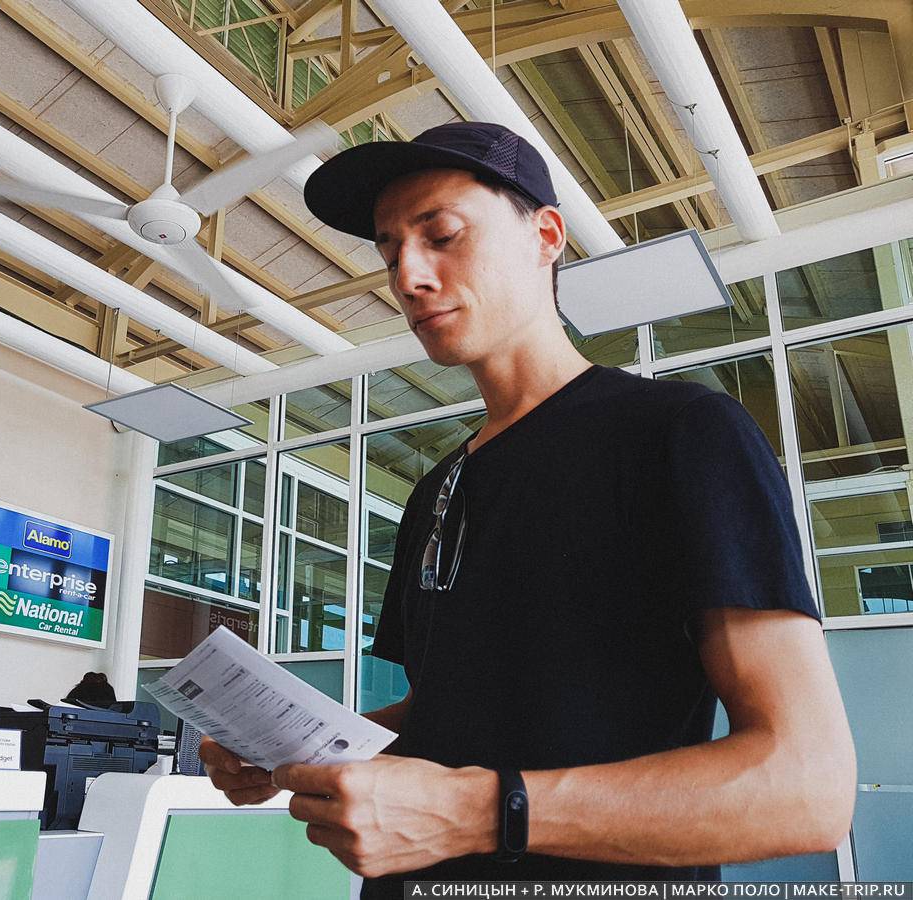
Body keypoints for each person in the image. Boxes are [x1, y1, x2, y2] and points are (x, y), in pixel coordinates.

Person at [199, 122, 856, 894]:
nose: (409, 275)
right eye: (389, 251)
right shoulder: (436, 488)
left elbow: (805, 787)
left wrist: (480, 813)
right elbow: (448, 712)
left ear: (545, 235)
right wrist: (295, 754)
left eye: (442, 235)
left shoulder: (679, 434)